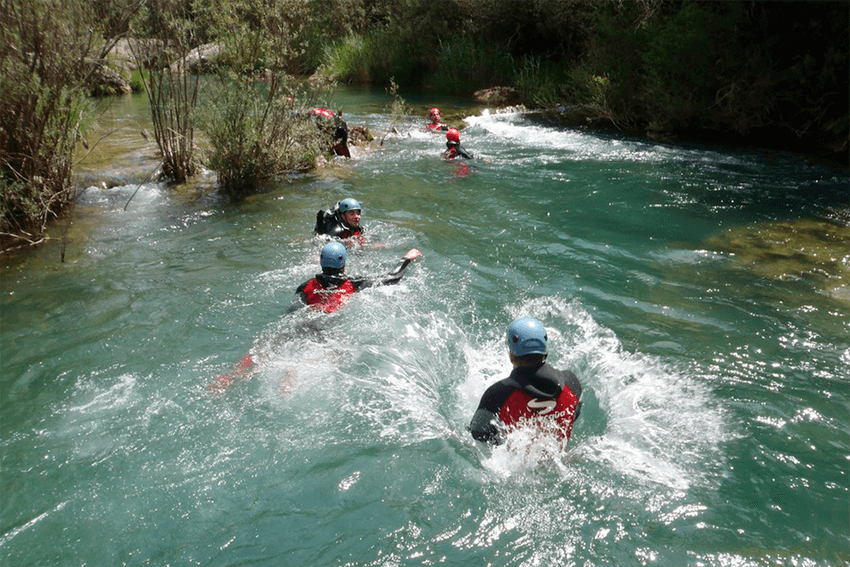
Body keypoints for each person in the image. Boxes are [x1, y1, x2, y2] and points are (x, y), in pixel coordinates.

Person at [468, 317, 582, 448]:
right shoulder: (572, 384)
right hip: (561, 462)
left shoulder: (497, 395)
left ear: (511, 355)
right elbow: (574, 413)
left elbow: (477, 434)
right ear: (545, 352)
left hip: (514, 466)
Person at [296, 242, 422, 313]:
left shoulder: (305, 286)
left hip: (307, 323)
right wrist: (406, 259)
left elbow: (295, 311)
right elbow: (393, 277)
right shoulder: (353, 284)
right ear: (343, 263)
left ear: (321, 261)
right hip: (333, 326)